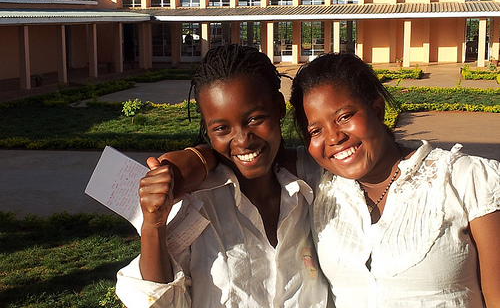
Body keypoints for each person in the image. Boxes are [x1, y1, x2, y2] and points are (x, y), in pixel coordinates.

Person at [115, 44, 331, 307]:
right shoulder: (195, 205)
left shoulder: (311, 184)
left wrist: (202, 157)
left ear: (279, 108)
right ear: (207, 130)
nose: (242, 139)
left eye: (254, 119)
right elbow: (160, 301)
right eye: (221, 128)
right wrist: (153, 225)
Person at [289, 53, 500, 307]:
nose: (334, 137)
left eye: (344, 117)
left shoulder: (467, 180)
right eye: (316, 130)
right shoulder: (319, 184)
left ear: (377, 110)